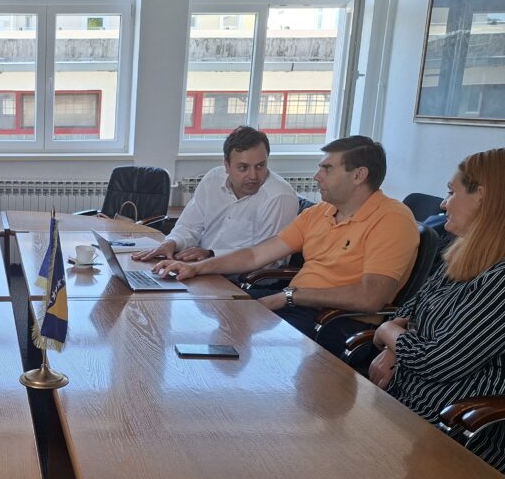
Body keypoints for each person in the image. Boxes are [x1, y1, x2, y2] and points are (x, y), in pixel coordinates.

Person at [155, 136, 419, 353]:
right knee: (215, 307)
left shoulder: (392, 219)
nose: (317, 176)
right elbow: (255, 255)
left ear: (359, 175)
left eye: (327, 169)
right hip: (299, 304)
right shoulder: (321, 212)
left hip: (336, 320)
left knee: (238, 334)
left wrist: (289, 296)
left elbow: (369, 298)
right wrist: (198, 268)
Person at [370, 149, 505, 472]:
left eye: (451, 192)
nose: (443, 205)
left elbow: (436, 362)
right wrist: (392, 349)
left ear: (482, 198)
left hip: (452, 429)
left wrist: (387, 332)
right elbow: (415, 304)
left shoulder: (500, 280)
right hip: (401, 403)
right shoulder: (467, 253)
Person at [132, 125, 298, 265]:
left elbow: (266, 259)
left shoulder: (279, 197)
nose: (253, 176)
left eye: (260, 166)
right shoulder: (213, 179)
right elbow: (189, 226)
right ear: (226, 165)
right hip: (199, 267)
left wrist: (211, 255)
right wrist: (171, 243)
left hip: (242, 282)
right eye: (243, 168)